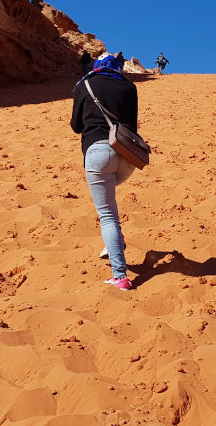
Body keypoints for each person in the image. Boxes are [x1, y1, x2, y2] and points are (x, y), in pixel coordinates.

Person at [70, 54, 138, 290]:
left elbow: (76, 126)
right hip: (127, 156)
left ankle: (120, 276)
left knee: (107, 214)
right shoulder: (128, 86)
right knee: (109, 204)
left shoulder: (85, 84)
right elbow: (132, 124)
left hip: (97, 153)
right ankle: (115, 242)